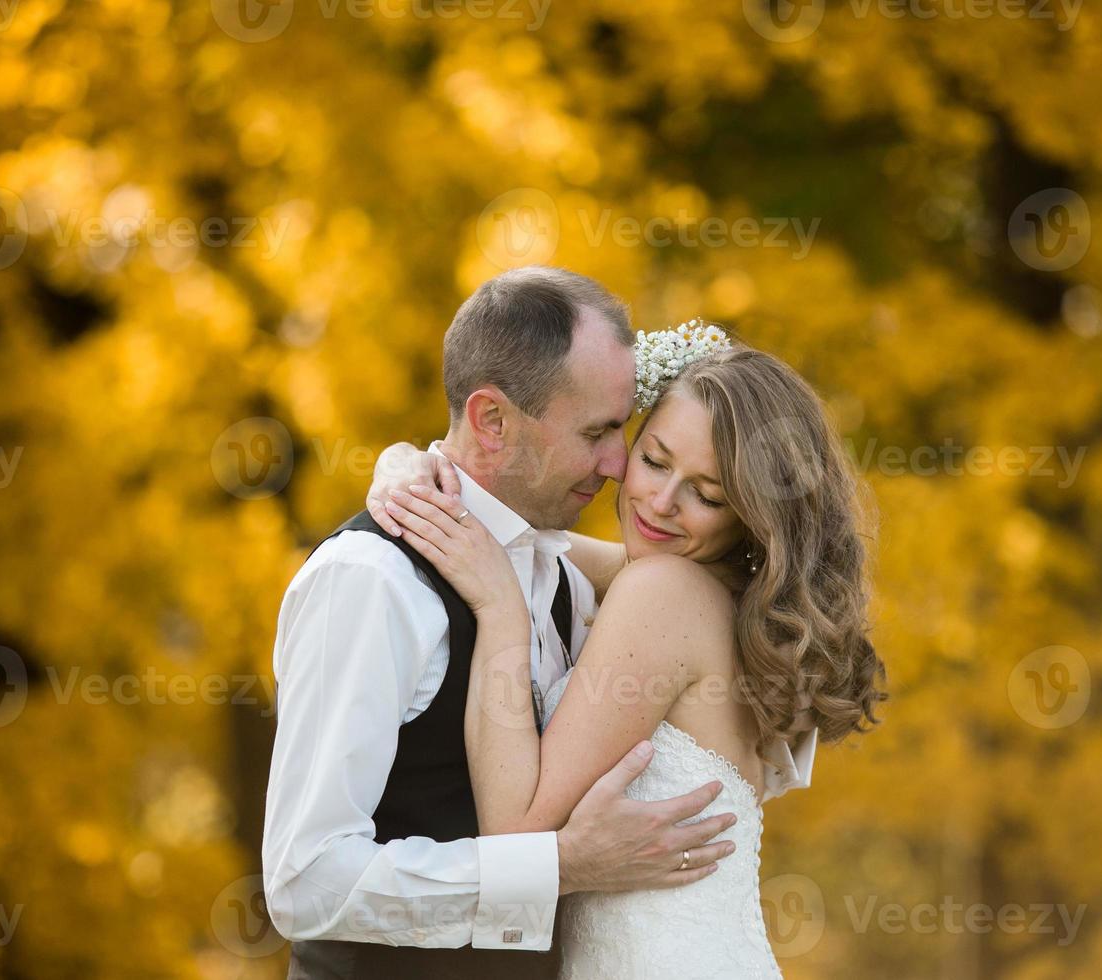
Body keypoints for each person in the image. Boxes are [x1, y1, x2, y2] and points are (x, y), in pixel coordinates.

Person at [262, 268, 741, 980]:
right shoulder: (369, 583)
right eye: (597, 432)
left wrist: (401, 462)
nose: (618, 466)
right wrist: (558, 865)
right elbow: (306, 880)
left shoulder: (562, 578)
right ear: (491, 420)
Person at [371, 321, 887, 977]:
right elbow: (501, 535)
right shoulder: (729, 605)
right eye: (654, 460)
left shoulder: (664, 591)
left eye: (706, 494)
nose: (661, 502)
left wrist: (500, 611)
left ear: (751, 516)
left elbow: (516, 830)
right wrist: (403, 465)